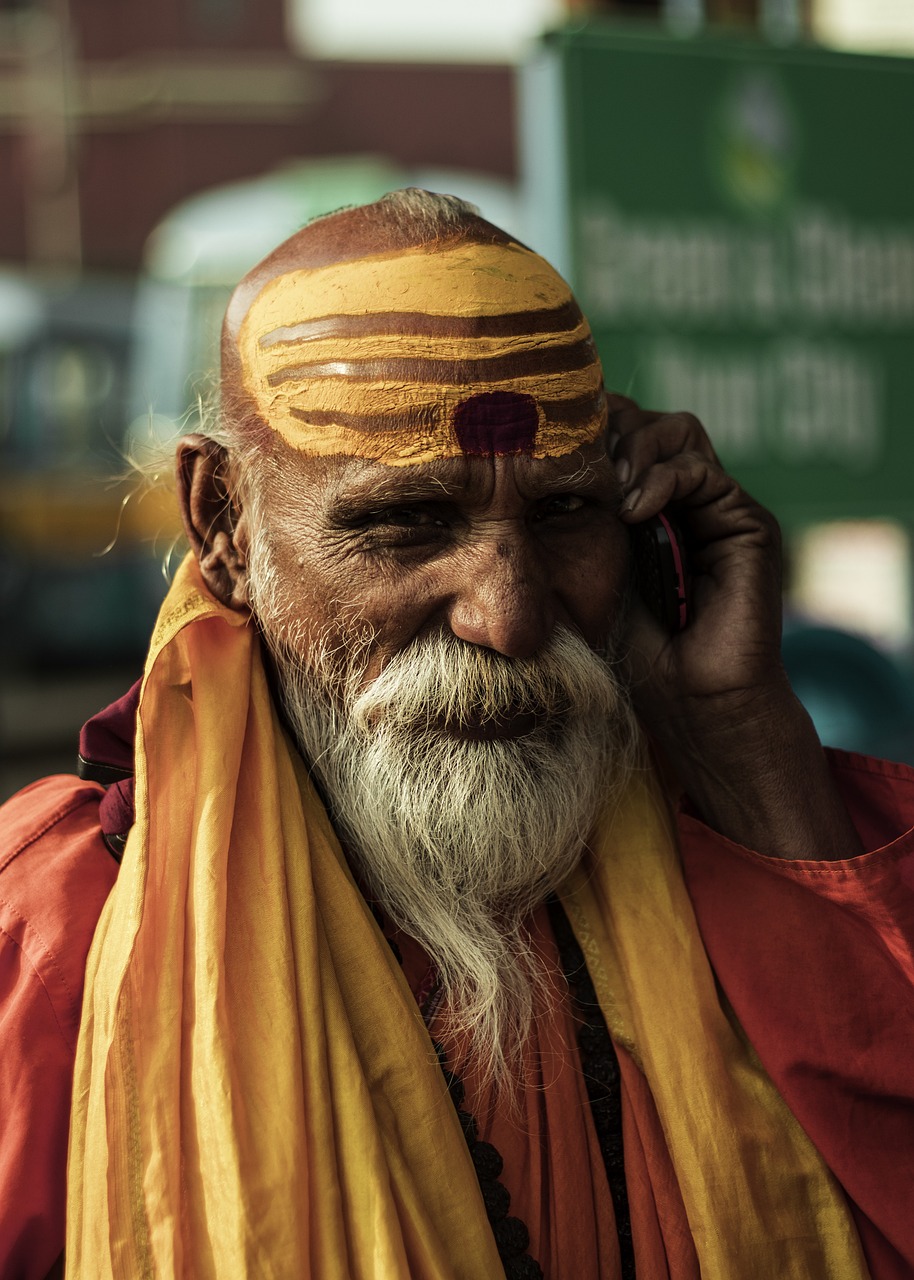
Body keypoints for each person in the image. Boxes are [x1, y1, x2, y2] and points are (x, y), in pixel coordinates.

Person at [1, 189, 913, 1280]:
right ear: (223, 522)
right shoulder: (61, 931)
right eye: (404, 522)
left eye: (564, 513)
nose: (510, 615)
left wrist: (745, 745)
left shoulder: (733, 835)